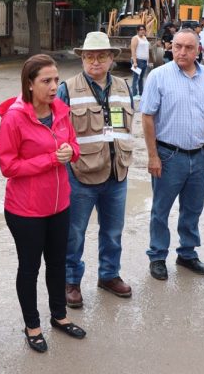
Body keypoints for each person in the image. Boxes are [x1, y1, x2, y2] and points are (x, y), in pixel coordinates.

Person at [0, 54, 86, 353]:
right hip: (26, 210)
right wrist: (51, 159)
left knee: (58, 263)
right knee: (30, 267)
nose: (53, 87)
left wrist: (69, 152)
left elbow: (73, 145)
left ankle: (59, 316)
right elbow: (8, 166)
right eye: (46, 81)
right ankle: (32, 324)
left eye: (56, 80)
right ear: (29, 85)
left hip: (60, 204)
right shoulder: (14, 117)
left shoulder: (61, 110)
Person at [56, 32, 135, 309]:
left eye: (102, 56)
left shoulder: (126, 87)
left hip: (117, 173)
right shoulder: (67, 88)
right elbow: (57, 129)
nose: (95, 61)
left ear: (112, 58)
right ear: (82, 58)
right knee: (74, 233)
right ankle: (71, 281)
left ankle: (109, 275)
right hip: (81, 175)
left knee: (113, 231)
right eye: (89, 56)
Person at [142, 30, 204, 280]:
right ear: (170, 48)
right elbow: (147, 117)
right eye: (177, 47)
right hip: (168, 155)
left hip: (198, 155)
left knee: (192, 209)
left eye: (188, 47)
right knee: (160, 210)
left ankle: (187, 253)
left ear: (198, 51)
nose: (182, 52)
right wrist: (153, 156)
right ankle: (157, 256)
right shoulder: (158, 76)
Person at [130, 24, 149, 99]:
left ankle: (141, 94)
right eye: (140, 30)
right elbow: (133, 50)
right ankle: (134, 94)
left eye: (143, 29)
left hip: (144, 61)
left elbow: (146, 50)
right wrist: (135, 62)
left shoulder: (145, 38)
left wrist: (148, 60)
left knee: (141, 78)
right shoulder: (135, 38)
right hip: (138, 60)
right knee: (136, 78)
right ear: (137, 31)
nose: (142, 31)